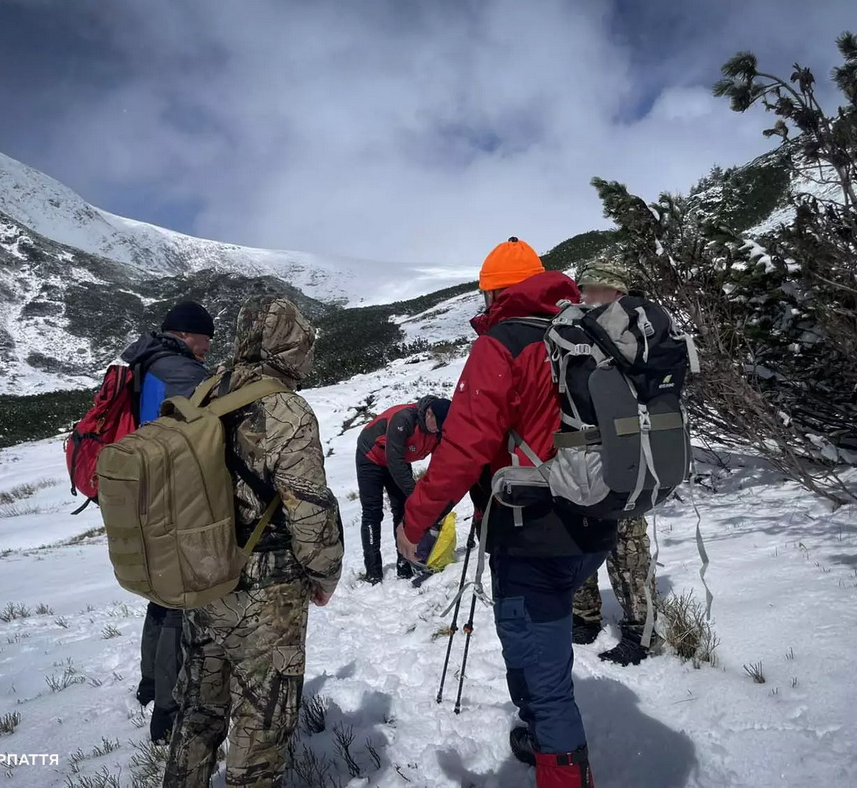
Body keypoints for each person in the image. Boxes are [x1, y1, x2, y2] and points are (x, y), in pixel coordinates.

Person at [398, 237, 617, 787]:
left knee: (547, 684)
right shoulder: (583, 332)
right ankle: (541, 734)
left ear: (495, 292)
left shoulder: (503, 343)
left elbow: (464, 448)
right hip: (595, 522)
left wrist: (415, 520)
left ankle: (561, 763)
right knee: (527, 635)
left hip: (531, 532)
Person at [163, 296, 344, 788]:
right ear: (292, 345)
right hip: (267, 585)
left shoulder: (206, 390)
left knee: (199, 710)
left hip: (204, 572)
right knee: (262, 722)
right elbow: (307, 507)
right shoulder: (286, 408)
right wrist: (324, 572)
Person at [120, 300, 215, 745]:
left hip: (146, 493)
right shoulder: (181, 371)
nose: (208, 347)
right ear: (187, 334)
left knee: (160, 595)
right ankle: (168, 708)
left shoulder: (148, 362)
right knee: (181, 597)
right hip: (174, 499)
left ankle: (150, 683)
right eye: (206, 339)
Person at [569, 260, 660, 666]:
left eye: (592, 289)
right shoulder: (585, 330)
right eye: (583, 289)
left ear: (615, 291)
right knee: (581, 533)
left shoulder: (632, 331)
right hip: (588, 453)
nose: (584, 296)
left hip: (625, 452)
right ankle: (585, 616)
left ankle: (642, 632)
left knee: (626, 545)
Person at [355, 396, 450, 584]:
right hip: (371, 456)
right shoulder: (404, 419)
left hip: (398, 459)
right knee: (373, 512)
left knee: (403, 508)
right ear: (428, 413)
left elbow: (439, 465)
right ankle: (373, 571)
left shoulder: (438, 430)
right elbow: (395, 462)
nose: (437, 429)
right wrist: (416, 495)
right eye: (436, 424)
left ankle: (404, 563)